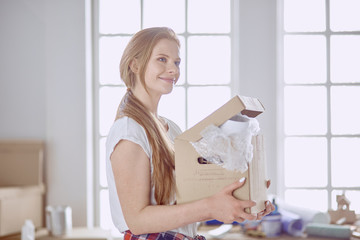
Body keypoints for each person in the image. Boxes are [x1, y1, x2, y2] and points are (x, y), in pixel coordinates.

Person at [106, 27, 274, 240]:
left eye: (176, 62)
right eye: (162, 59)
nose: (173, 70)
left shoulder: (170, 128)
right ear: (135, 64)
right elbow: (137, 220)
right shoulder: (130, 131)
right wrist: (209, 208)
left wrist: (245, 194)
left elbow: (187, 197)